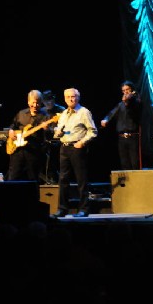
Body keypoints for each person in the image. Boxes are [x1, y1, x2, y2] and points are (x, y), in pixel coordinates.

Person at [51, 88, 98, 218]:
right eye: (68, 97)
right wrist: (58, 133)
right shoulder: (64, 113)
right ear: (65, 99)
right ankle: (62, 209)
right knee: (63, 179)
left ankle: (84, 209)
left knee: (81, 180)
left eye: (73, 96)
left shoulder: (84, 112)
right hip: (64, 147)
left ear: (78, 98)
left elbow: (93, 131)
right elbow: (58, 131)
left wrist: (82, 142)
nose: (71, 99)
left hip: (77, 148)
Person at [6, 90, 52, 182]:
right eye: (33, 102)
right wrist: (10, 131)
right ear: (28, 101)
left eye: (38, 103)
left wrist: (46, 130)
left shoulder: (45, 116)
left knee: (33, 179)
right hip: (17, 151)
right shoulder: (21, 113)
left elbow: (49, 136)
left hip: (34, 152)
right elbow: (13, 125)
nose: (35, 105)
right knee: (13, 178)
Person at [100, 80, 143, 170]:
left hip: (133, 137)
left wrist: (128, 102)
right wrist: (106, 119)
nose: (125, 92)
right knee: (124, 162)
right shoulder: (121, 104)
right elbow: (112, 113)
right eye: (123, 91)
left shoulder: (136, 102)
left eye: (127, 90)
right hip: (121, 137)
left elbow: (133, 113)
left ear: (132, 90)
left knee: (135, 162)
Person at [41, 90, 65, 184]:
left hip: (57, 142)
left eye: (51, 100)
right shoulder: (41, 111)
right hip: (43, 142)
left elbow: (64, 126)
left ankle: (56, 181)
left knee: (55, 162)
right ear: (43, 101)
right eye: (46, 100)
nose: (49, 102)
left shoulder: (61, 110)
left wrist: (51, 129)